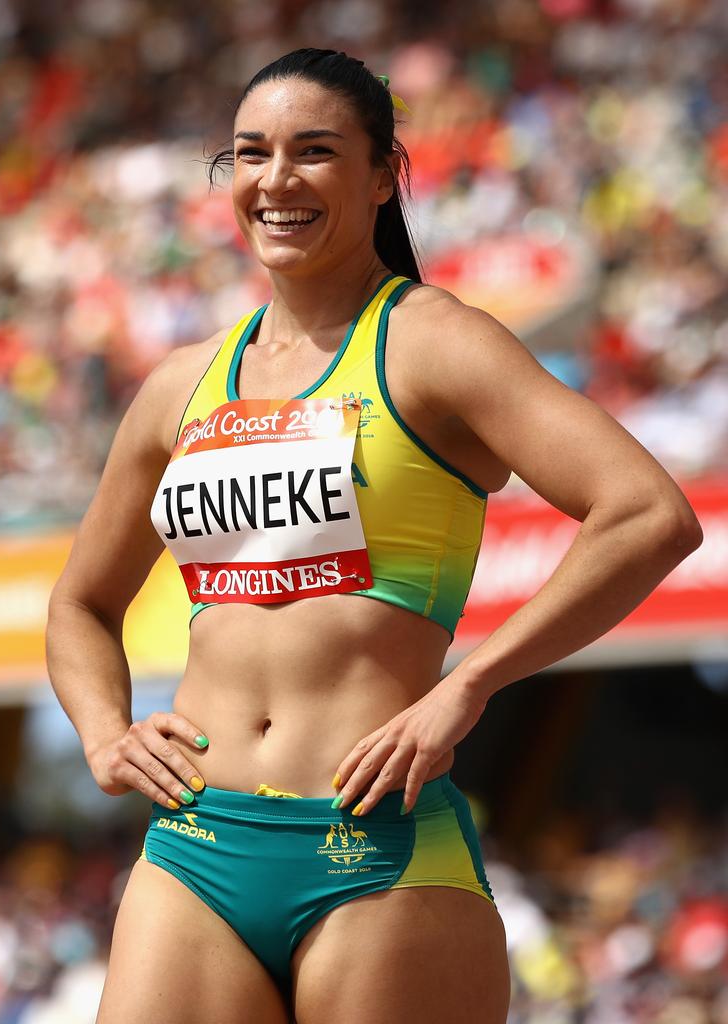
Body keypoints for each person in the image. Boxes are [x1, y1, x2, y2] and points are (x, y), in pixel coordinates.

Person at [45, 47, 703, 1024]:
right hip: (194, 848)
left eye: (314, 151)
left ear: (384, 175)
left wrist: (471, 683)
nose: (277, 180)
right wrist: (104, 732)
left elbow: (650, 513)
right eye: (251, 153)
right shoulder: (177, 386)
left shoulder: (435, 342)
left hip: (377, 853)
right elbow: (81, 605)